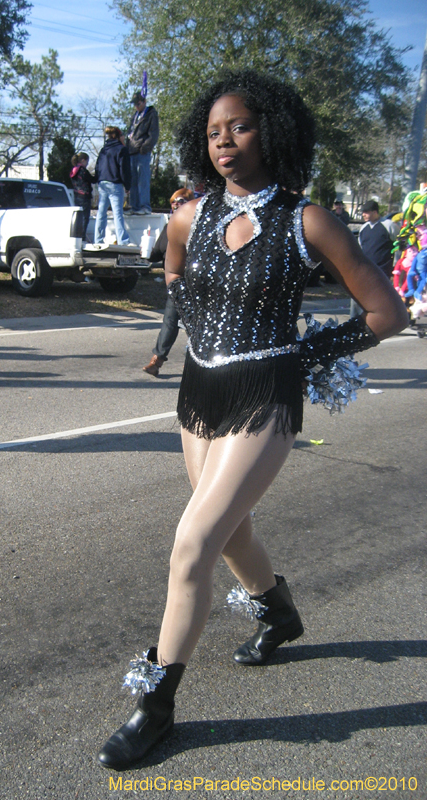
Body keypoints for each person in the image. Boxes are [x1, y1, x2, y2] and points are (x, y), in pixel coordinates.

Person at [97, 71, 407, 771]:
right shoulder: (187, 215)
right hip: (198, 391)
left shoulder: (309, 220)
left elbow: (390, 314)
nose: (224, 142)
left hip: (266, 392)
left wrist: (305, 352)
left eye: (238, 127)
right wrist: (186, 329)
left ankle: (156, 704)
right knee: (230, 528)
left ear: (271, 129)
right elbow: (174, 280)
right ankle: (278, 610)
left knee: (193, 542)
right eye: (212, 132)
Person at [142, 188, 195, 376]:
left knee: (193, 323)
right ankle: (157, 362)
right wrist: (145, 249)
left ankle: (194, 361)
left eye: (180, 201)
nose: (175, 205)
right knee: (170, 322)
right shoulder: (169, 226)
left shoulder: (195, 224)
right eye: (173, 202)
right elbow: (156, 253)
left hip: (193, 282)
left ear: (190, 203)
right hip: (175, 283)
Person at [350, 200, 400, 317]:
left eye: (366, 212)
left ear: (375, 212)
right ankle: (354, 321)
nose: (363, 215)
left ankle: (384, 322)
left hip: (382, 270)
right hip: (365, 270)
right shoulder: (364, 228)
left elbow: (399, 245)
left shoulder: (389, 225)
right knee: (356, 297)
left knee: (380, 300)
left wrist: (396, 267)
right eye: (363, 212)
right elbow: (360, 248)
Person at [94, 127, 131, 246]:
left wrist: (97, 179)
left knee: (101, 212)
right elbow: (124, 169)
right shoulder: (122, 149)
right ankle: (123, 241)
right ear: (118, 136)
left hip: (103, 183)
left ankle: (98, 239)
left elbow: (97, 167)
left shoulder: (104, 150)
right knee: (117, 213)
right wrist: (127, 185)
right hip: (115, 184)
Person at [127, 92, 159, 215]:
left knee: (143, 179)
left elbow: (154, 134)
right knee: (133, 181)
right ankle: (134, 207)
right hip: (132, 151)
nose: (136, 106)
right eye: (134, 104)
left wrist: (144, 148)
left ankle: (145, 206)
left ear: (144, 102)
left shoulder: (151, 114)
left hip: (142, 152)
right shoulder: (135, 115)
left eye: (138, 103)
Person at [70, 153, 96, 241]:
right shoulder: (83, 171)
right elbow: (92, 180)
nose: (87, 164)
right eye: (87, 162)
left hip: (77, 196)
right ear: (83, 160)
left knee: (79, 217)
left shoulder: (74, 170)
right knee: (85, 217)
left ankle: (77, 237)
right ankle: (82, 237)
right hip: (85, 197)